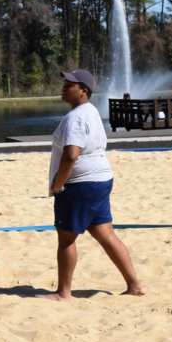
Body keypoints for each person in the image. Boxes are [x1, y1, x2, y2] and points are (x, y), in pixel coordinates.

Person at [40, 69, 145, 301]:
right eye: (65, 83)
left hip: (81, 184)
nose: (64, 87)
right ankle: (135, 285)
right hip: (100, 179)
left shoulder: (76, 117)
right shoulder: (90, 111)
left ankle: (63, 293)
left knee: (66, 238)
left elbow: (71, 155)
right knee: (106, 234)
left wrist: (58, 185)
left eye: (70, 84)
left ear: (83, 91)